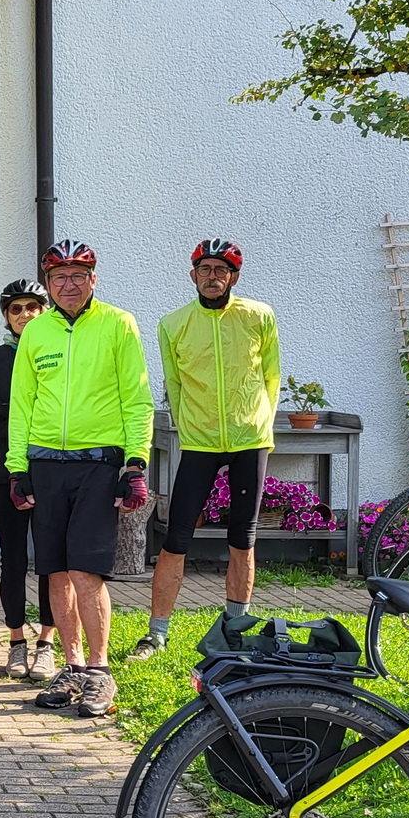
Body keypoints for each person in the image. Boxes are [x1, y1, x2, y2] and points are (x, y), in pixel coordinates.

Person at [6, 240, 152, 718]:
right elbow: (21, 403)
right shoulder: (37, 332)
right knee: (55, 570)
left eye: (77, 275)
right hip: (46, 465)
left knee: (87, 572)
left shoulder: (118, 323)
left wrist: (135, 463)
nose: (68, 284)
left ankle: (99, 670)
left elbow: (136, 397)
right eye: (59, 277)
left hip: (98, 464)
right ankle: (70, 667)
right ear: (48, 284)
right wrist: (17, 467)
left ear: (94, 279)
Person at [133, 239, 280, 659]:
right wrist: (188, 426)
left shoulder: (259, 316)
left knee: (243, 536)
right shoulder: (173, 323)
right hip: (199, 442)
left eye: (221, 270)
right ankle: (157, 633)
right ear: (193, 275)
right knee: (177, 535)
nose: (212, 277)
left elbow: (272, 375)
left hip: (249, 439)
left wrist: (260, 425)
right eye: (205, 270)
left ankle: (236, 628)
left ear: (233, 276)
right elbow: (174, 385)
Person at [0, 280, 59, 681]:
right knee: (12, 559)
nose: (25, 315)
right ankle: (15, 642)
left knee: (49, 560)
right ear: (6, 316)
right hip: (8, 469)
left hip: (53, 471)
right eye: (16, 309)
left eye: (32, 307)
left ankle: (46, 643)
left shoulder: (58, 352)